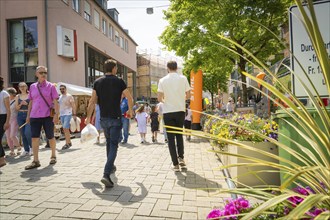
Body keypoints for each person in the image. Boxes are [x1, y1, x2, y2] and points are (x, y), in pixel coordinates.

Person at [85, 59, 133, 188]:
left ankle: (110, 167)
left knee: (109, 143)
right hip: (115, 117)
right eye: (116, 68)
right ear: (113, 69)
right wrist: (130, 111)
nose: (116, 70)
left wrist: (88, 118)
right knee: (113, 145)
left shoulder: (97, 82)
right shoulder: (119, 81)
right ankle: (106, 174)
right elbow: (129, 97)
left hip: (104, 119)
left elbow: (92, 101)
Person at [157, 61, 191, 172]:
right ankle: (181, 158)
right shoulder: (183, 78)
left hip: (168, 111)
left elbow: (159, 98)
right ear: (177, 68)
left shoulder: (162, 80)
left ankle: (175, 164)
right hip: (180, 110)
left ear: (167, 68)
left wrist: (166, 101)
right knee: (179, 135)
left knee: (170, 138)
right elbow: (188, 95)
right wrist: (180, 100)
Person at [25, 66, 59, 170]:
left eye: (45, 72)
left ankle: (53, 155)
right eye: (41, 72)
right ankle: (36, 160)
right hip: (35, 115)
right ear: (36, 74)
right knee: (34, 138)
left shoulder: (51, 86)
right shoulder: (32, 87)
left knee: (50, 136)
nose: (43, 74)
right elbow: (31, 101)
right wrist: (28, 116)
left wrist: (56, 115)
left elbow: (55, 102)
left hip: (48, 115)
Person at [15, 82, 32, 156]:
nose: (22, 87)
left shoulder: (30, 95)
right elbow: (16, 108)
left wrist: (27, 104)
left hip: (29, 115)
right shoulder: (17, 96)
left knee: (27, 132)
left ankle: (32, 148)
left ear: (26, 87)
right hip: (20, 115)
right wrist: (21, 104)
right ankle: (26, 150)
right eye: (20, 86)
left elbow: (33, 106)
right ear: (18, 88)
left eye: (24, 86)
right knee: (23, 133)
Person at [58, 84, 76, 150]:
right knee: (65, 129)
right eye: (60, 89)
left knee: (65, 129)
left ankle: (67, 143)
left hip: (68, 113)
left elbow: (73, 105)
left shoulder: (69, 96)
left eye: (63, 89)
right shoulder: (60, 97)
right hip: (62, 114)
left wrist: (74, 114)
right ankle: (69, 142)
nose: (62, 90)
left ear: (66, 89)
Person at [5, 88, 21, 156]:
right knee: (8, 136)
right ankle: (12, 150)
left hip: (14, 118)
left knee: (12, 135)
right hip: (6, 119)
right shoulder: (6, 100)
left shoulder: (16, 99)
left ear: (12, 94)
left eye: (8, 94)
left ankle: (18, 147)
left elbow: (18, 108)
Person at [0, 77, 10, 168]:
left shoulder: (4, 93)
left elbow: (8, 109)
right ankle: (2, 159)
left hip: (2, 117)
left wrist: (7, 122)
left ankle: (2, 159)